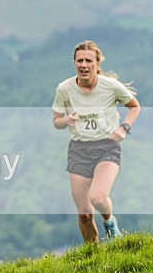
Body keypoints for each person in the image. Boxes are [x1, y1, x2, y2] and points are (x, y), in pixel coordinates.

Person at [52, 40, 141, 244]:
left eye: (88, 61)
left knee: (98, 198)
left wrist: (123, 128)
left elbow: (135, 107)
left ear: (97, 63)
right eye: (79, 60)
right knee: (84, 214)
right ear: (74, 63)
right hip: (78, 150)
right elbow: (56, 121)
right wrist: (66, 120)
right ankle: (94, 256)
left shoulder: (111, 87)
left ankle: (110, 222)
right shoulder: (64, 89)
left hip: (106, 147)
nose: (84, 65)